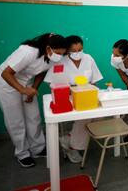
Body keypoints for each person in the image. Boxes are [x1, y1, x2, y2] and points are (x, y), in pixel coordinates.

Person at [0, 33, 66, 168]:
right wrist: (22, 90)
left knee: (34, 117)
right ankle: (22, 153)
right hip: (6, 84)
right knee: (15, 120)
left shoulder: (52, 57)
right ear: (48, 47)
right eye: (57, 53)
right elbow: (6, 73)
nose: (59, 56)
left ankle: (38, 148)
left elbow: (41, 72)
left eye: (62, 54)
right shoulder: (28, 52)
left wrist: (33, 89)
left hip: (27, 83)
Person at [44, 35, 103, 163]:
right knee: (85, 116)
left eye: (80, 50)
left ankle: (69, 140)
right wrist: (68, 89)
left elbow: (95, 81)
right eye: (74, 51)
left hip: (86, 95)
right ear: (67, 51)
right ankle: (72, 146)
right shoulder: (61, 61)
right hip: (68, 97)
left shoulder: (88, 59)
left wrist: (91, 92)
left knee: (98, 114)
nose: (78, 53)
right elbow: (51, 83)